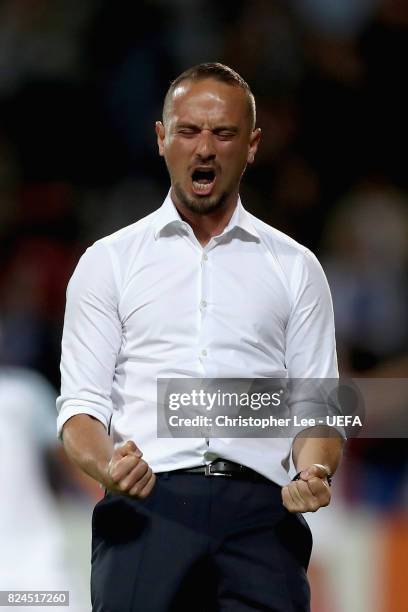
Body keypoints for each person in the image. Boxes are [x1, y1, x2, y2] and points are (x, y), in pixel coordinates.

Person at [57, 63, 344, 612]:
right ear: (162, 139)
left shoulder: (296, 267)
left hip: (263, 518)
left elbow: (317, 413)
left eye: (224, 133)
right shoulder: (108, 263)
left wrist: (315, 469)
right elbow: (79, 414)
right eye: (188, 131)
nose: (205, 148)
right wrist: (109, 466)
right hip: (145, 508)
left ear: (253, 144)